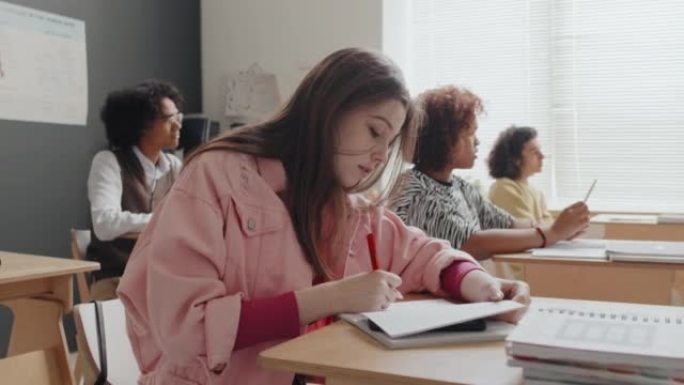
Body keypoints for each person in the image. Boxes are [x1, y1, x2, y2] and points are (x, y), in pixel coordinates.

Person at [117, 48, 530, 385]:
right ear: (329, 109)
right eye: (373, 131)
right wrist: (329, 298)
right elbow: (185, 329)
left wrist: (477, 281)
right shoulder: (216, 176)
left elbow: (417, 251)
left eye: (389, 144)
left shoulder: (342, 201)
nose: (378, 156)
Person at [389, 85, 589, 261]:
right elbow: (472, 244)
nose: (477, 141)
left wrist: (562, 228)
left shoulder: (460, 186)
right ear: (442, 139)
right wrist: (552, 232)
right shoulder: (414, 189)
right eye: (470, 133)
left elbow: (507, 223)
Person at [86, 80, 183, 300]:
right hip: (116, 280)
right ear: (142, 125)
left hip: (161, 278)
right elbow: (104, 224)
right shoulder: (108, 162)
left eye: (179, 117)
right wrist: (164, 222)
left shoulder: (175, 167)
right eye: (169, 119)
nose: (178, 125)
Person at [487, 125, 553, 224]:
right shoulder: (503, 188)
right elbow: (530, 231)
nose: (542, 156)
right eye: (534, 152)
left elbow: (550, 227)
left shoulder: (536, 192)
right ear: (515, 159)